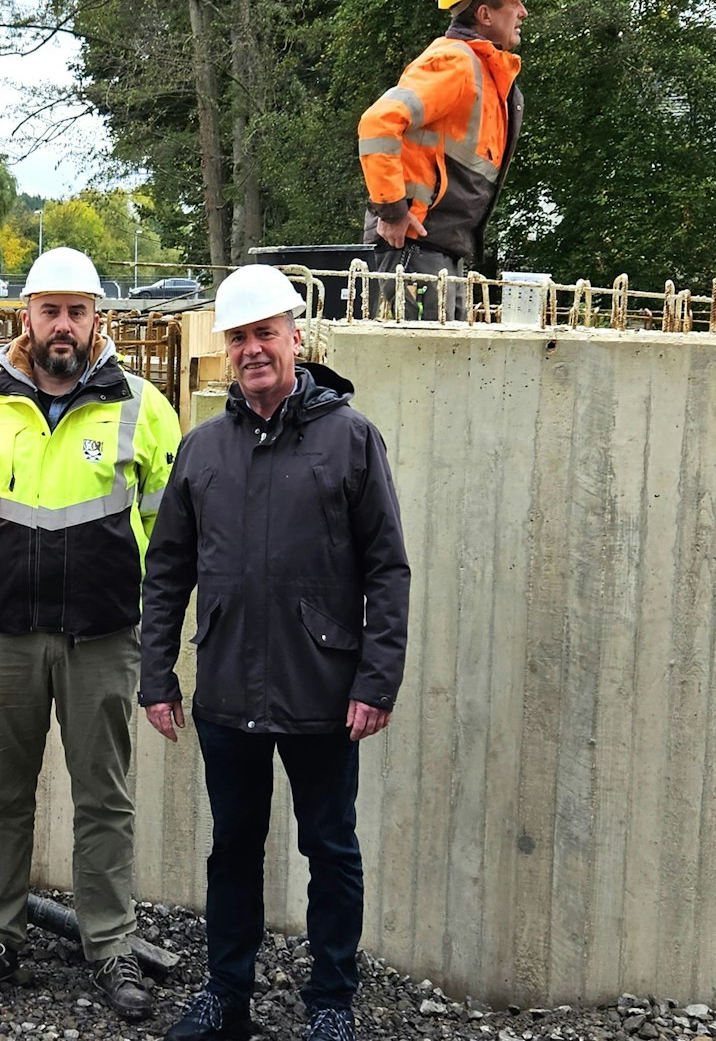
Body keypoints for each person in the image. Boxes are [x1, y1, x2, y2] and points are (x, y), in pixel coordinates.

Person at [139, 264, 411, 1041]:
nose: (253, 349)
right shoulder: (203, 449)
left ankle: (330, 1003)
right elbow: (167, 572)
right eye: (240, 337)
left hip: (322, 690)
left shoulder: (351, 438)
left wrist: (376, 679)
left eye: (266, 333)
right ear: (226, 349)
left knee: (330, 847)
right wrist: (157, 674)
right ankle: (227, 994)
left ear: (297, 336)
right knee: (232, 848)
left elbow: (388, 567)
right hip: (226, 687)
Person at [0, 247, 182, 1019]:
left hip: (104, 639)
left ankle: (110, 944)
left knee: (104, 797)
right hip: (2, 633)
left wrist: (159, 643)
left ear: (98, 320)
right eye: (51, 310)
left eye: (79, 311)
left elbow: (169, 538)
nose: (64, 325)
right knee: (1, 795)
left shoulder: (144, 408)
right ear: (27, 317)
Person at [357, 0, 530, 319]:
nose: (523, 12)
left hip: (433, 249)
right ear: (484, 14)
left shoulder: (484, 72)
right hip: (413, 246)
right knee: (419, 367)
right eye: (514, 2)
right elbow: (378, 123)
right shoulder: (455, 62)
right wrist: (391, 211)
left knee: (439, 363)